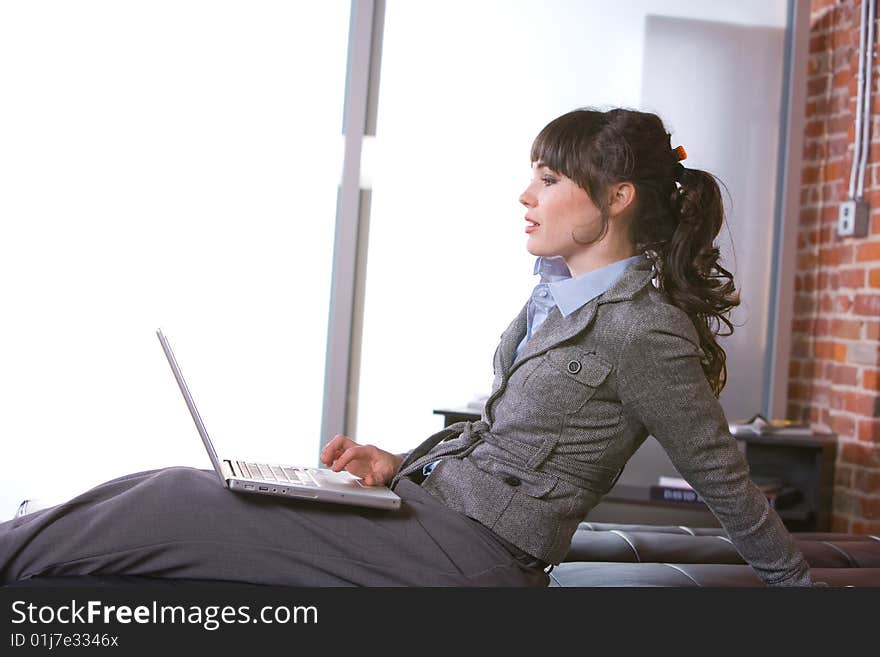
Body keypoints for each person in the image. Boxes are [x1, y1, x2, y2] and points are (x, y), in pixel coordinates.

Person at [0, 107, 813, 587]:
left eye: (548, 179)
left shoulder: (645, 328)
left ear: (618, 197)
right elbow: (498, 438)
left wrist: (806, 598)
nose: (525, 196)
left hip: (472, 560)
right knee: (182, 485)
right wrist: (397, 465)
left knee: (179, 499)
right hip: (429, 512)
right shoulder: (552, 296)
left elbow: (726, 483)